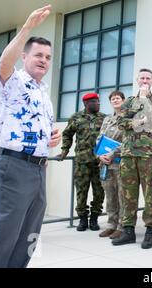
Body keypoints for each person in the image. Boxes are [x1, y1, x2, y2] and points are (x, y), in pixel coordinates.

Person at [0, 5, 61, 268]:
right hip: (13, 166)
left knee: (28, 237)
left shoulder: (43, 93)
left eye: (47, 56)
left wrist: (49, 138)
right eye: (38, 55)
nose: (43, 60)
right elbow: (4, 62)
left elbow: (33, 127)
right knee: (6, 234)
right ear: (24, 57)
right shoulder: (12, 81)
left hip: (38, 169)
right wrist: (27, 28)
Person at [111, 68, 152, 249]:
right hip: (128, 154)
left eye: (148, 78)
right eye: (142, 78)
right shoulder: (129, 102)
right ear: (137, 80)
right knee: (128, 194)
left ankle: (150, 230)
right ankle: (128, 230)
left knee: (150, 194)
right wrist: (137, 121)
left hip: (148, 155)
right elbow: (121, 123)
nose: (145, 80)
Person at [58, 93, 105, 231]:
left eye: (98, 101)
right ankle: (82, 219)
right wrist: (65, 150)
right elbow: (67, 134)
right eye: (95, 102)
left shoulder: (103, 118)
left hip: (99, 161)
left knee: (99, 191)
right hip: (82, 161)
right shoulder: (76, 117)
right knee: (81, 191)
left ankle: (94, 219)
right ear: (86, 104)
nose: (98, 104)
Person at [97, 91, 126, 239]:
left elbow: (128, 141)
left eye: (118, 98)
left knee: (122, 196)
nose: (115, 100)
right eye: (113, 99)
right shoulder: (107, 119)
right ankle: (111, 224)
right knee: (110, 196)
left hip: (121, 163)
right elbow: (100, 138)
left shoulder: (128, 118)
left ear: (123, 100)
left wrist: (112, 154)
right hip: (106, 165)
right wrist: (100, 155)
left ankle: (121, 226)